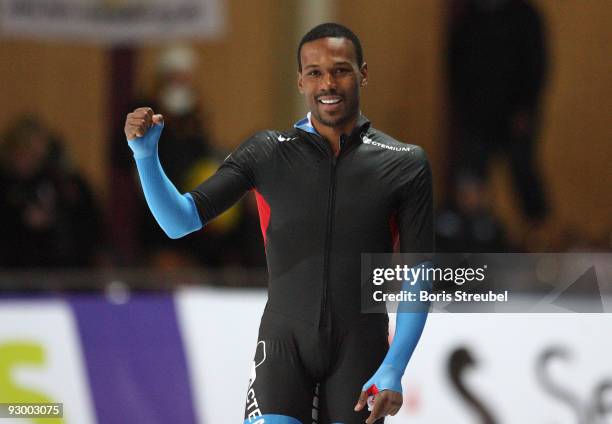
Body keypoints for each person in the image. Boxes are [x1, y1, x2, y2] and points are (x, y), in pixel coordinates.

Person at [124, 23, 433, 423]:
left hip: (361, 351)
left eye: (340, 70)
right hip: (283, 347)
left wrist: (395, 365)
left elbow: (418, 274)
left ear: (364, 73)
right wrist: (146, 157)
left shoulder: (405, 163)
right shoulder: (267, 152)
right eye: (315, 72)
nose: (328, 83)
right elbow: (178, 221)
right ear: (300, 80)